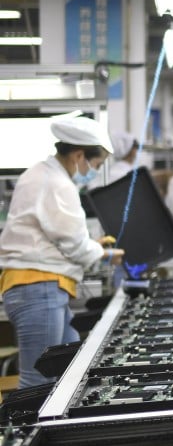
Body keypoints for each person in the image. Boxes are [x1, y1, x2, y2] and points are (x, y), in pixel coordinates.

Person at [0, 116, 125, 388]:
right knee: (39, 380)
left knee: (65, 366)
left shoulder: (41, 174)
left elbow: (58, 235)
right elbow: (74, 244)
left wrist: (95, 245)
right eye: (96, 164)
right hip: (38, 287)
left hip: (37, 286)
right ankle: (21, 431)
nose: (93, 170)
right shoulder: (57, 184)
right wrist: (105, 254)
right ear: (79, 154)